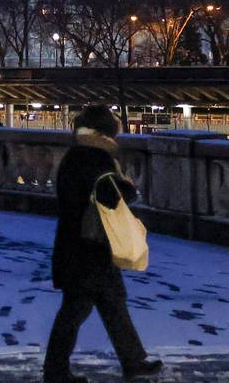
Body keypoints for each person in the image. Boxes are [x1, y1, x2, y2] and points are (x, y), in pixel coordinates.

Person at [44, 104, 161, 382]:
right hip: (90, 250)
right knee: (77, 311)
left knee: (110, 305)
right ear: (106, 132)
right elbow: (111, 196)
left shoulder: (75, 155)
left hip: (77, 246)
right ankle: (56, 371)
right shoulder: (97, 158)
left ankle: (132, 360)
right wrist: (128, 187)